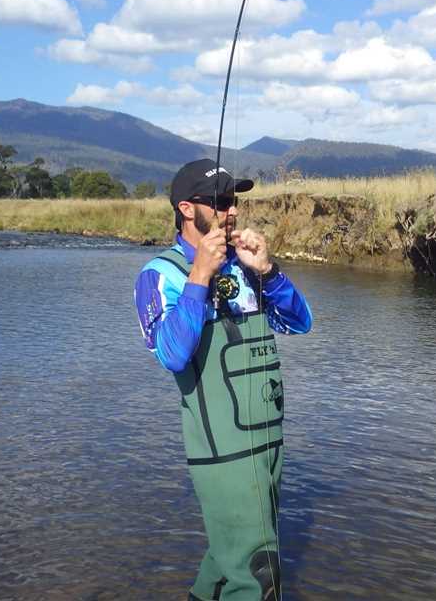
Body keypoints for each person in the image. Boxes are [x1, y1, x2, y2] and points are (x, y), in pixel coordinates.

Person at [134, 158, 312, 601]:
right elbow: (173, 355)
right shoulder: (160, 275)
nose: (232, 210)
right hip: (221, 450)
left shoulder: (247, 267)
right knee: (258, 570)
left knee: (225, 558)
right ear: (186, 209)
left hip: (268, 441)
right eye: (220, 201)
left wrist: (267, 271)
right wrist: (200, 276)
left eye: (234, 200)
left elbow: (299, 323)